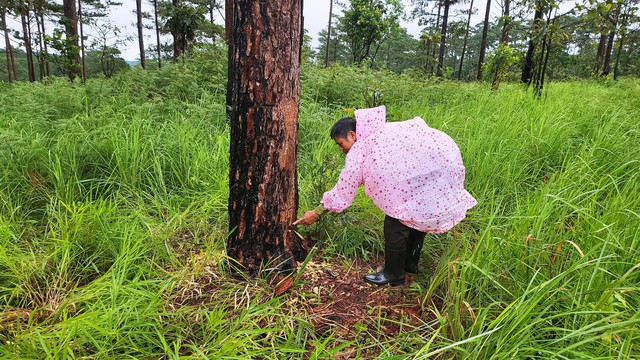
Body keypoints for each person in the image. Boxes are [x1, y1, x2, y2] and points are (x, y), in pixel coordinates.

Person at [293, 105, 477, 285]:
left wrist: (317, 212)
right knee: (415, 218)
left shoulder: (361, 146)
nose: (341, 149)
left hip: (428, 171)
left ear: (352, 135)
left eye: (340, 144)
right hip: (438, 166)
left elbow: (345, 187)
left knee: (395, 223)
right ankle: (410, 264)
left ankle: (393, 273)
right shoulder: (383, 131)